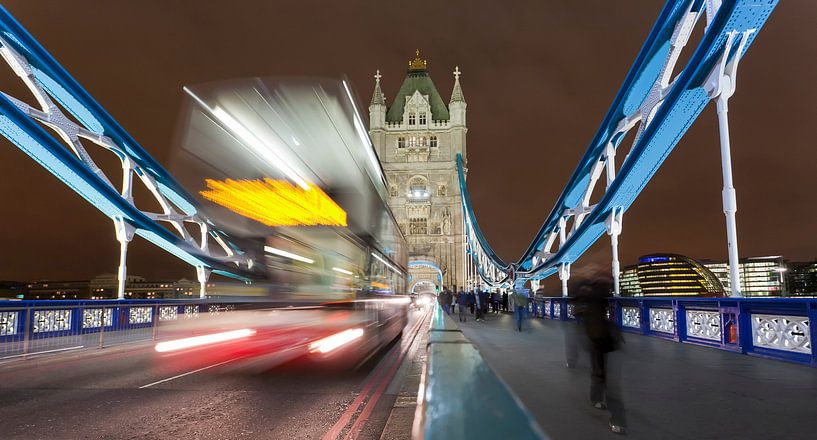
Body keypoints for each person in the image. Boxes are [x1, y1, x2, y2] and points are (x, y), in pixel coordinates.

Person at [573, 280, 626, 435]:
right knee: (605, 377)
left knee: (602, 376)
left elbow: (577, 311)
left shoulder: (591, 297)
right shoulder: (592, 297)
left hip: (602, 340)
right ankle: (615, 417)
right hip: (602, 341)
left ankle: (598, 401)